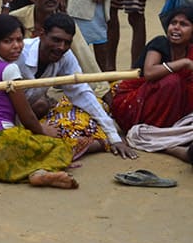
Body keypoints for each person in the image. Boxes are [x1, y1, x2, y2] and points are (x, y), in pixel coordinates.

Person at [0, 15, 76, 189]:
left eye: (19, 40)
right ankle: (39, 172)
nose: (16, 46)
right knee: (60, 147)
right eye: (8, 41)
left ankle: (38, 173)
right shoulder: (9, 69)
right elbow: (26, 115)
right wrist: (44, 131)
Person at [16, 13, 136, 159]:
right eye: (56, 40)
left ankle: (100, 142)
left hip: (26, 115)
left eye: (67, 42)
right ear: (41, 34)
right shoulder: (19, 54)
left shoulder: (65, 57)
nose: (61, 47)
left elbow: (82, 93)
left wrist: (114, 137)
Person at [10, 0, 106, 96]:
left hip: (53, 89)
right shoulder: (16, 19)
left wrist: (103, 91)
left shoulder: (65, 24)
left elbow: (86, 59)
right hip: (17, 89)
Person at [110, 6, 193, 133]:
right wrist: (183, 63)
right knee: (173, 82)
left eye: (183, 24)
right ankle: (155, 131)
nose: (176, 27)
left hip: (164, 105)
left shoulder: (190, 50)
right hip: (133, 103)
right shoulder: (160, 43)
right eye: (173, 23)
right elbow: (149, 72)